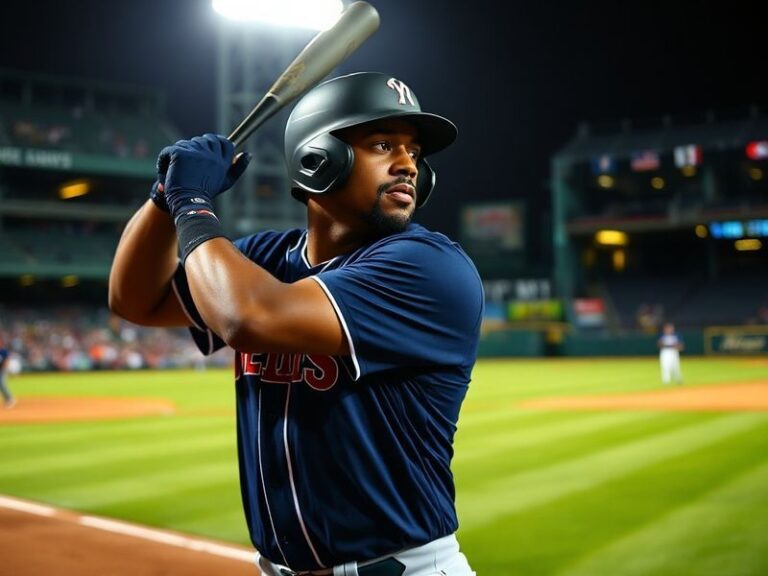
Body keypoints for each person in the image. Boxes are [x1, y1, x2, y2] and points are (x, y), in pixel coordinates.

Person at [109, 72, 483, 576]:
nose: (408, 165)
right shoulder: (267, 256)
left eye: (414, 151)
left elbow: (247, 316)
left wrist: (192, 206)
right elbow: (135, 300)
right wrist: (163, 194)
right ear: (317, 160)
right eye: (382, 144)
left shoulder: (427, 266)